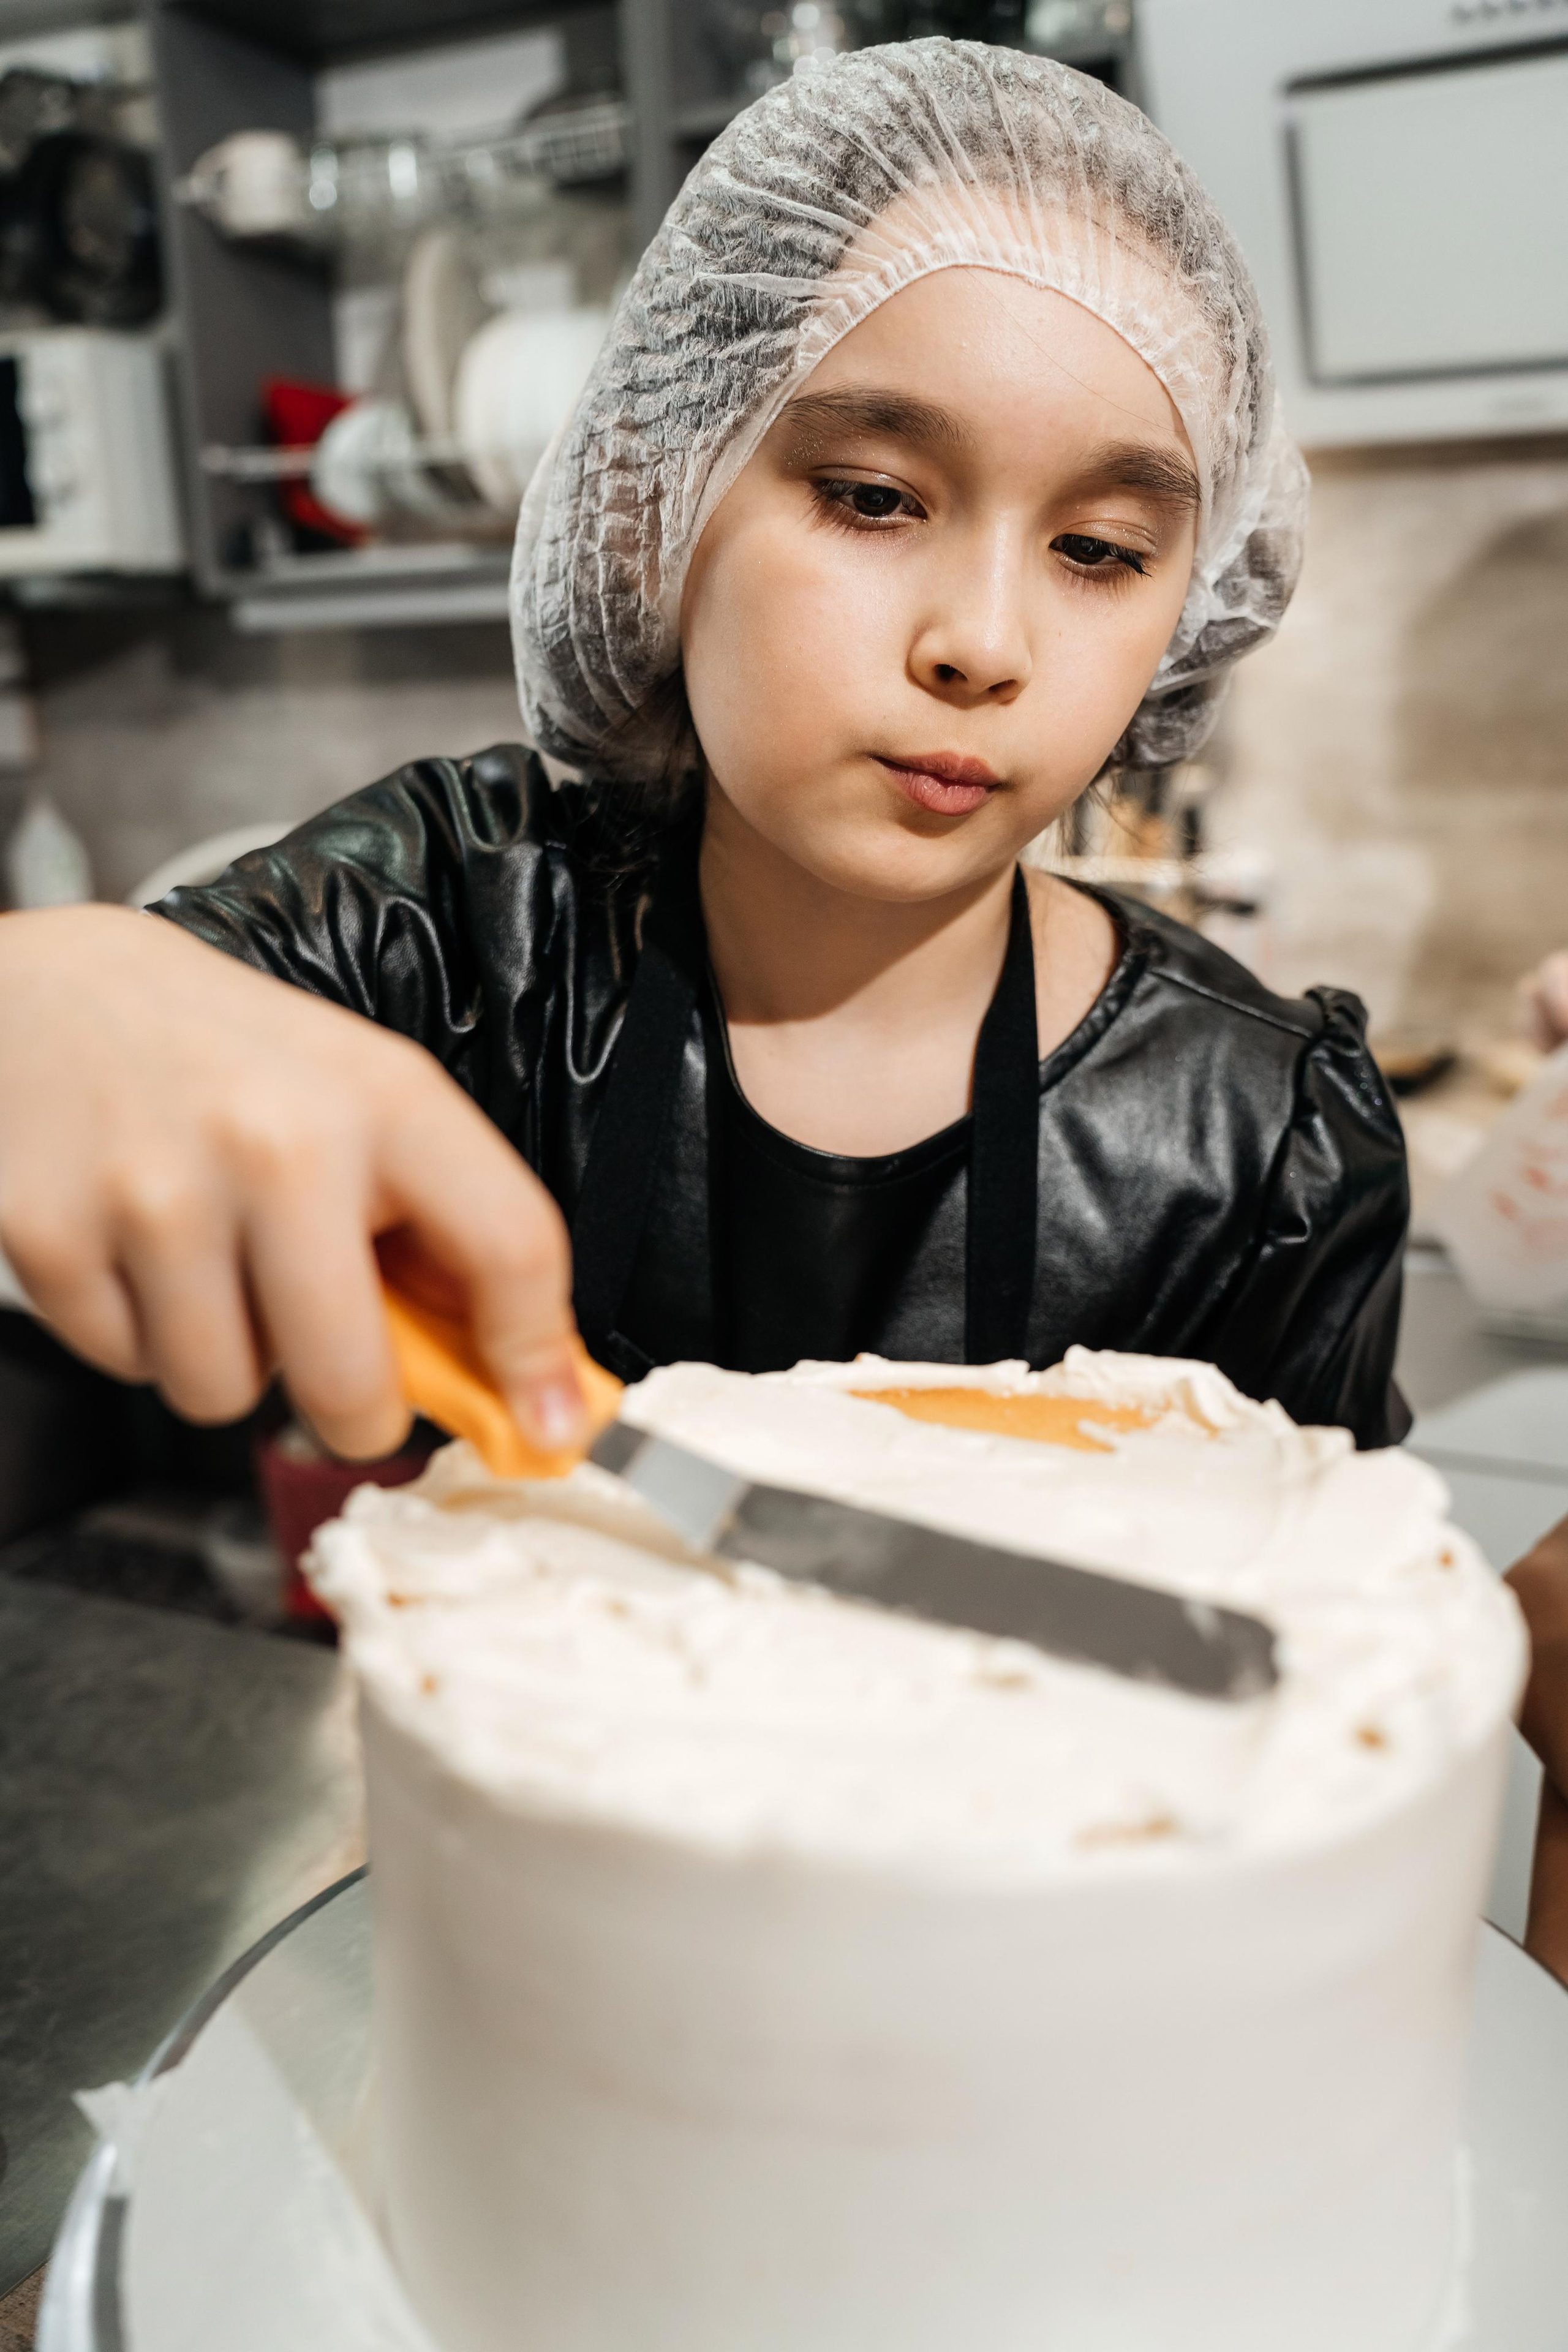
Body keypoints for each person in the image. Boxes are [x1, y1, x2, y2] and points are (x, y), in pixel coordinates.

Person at [0, 42, 1409, 1464]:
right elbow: (119, 1038)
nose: (982, 642)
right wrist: (47, 996)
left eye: (1098, 552)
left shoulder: (1260, 1144)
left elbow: (1328, 1626)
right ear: (657, 500)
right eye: (871, 498)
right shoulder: (441, 939)